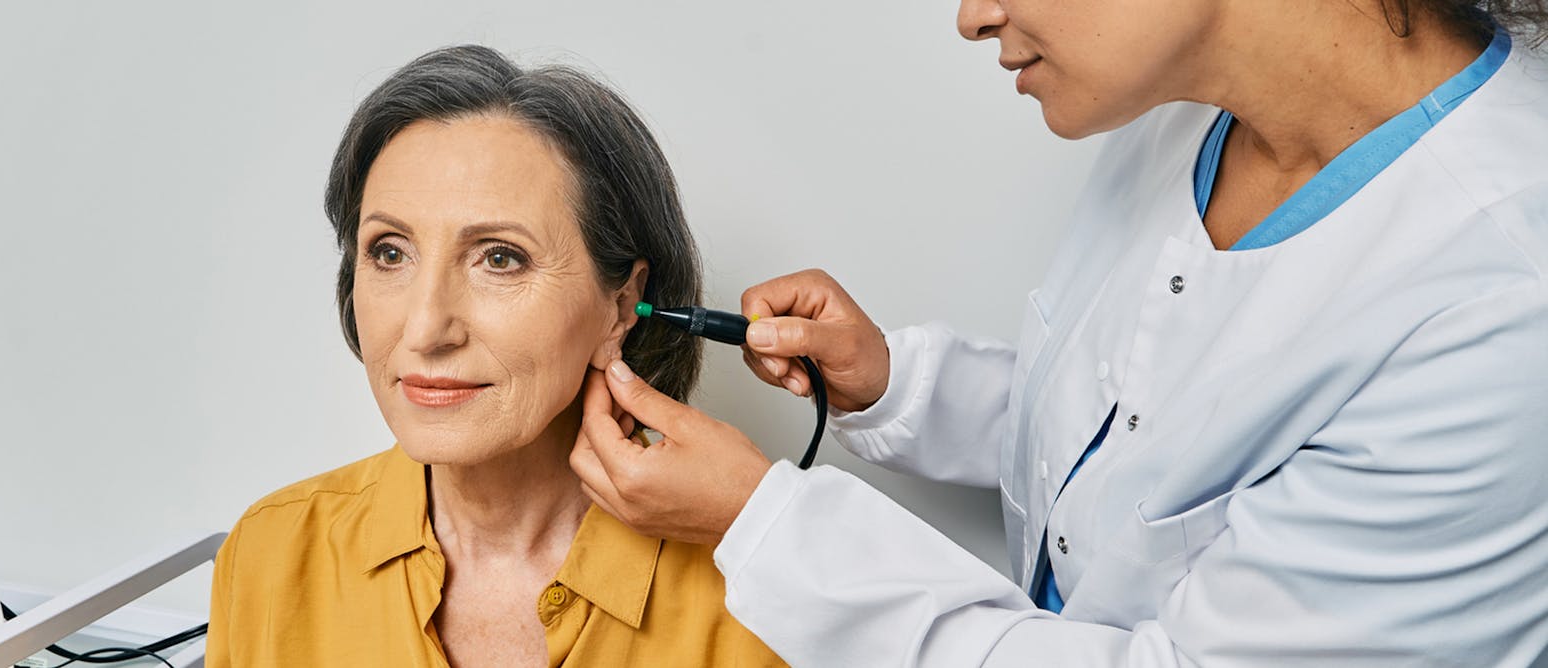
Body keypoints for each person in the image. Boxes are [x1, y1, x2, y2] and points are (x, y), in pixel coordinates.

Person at [569, 0, 1548, 665]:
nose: (971, 14)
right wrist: (897, 385)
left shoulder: (1502, 300)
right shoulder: (1183, 120)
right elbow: (1160, 437)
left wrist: (765, 525)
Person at [205, 45, 786, 666]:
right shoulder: (268, 556)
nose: (426, 330)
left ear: (621, 306)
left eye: (500, 257)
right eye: (391, 252)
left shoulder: (770, 595)